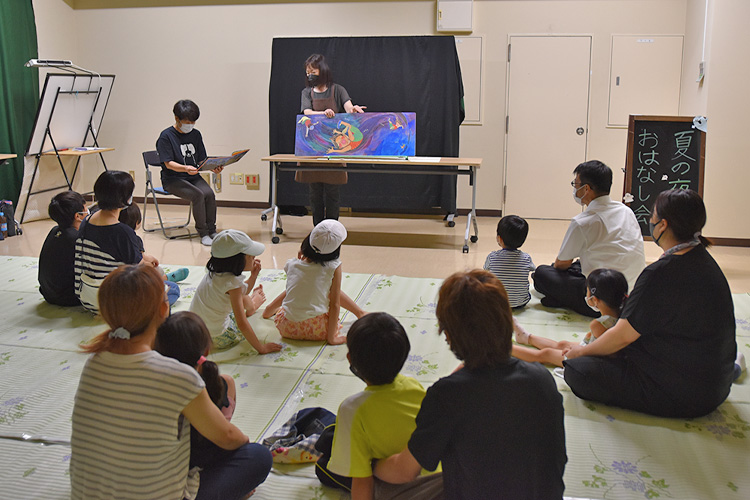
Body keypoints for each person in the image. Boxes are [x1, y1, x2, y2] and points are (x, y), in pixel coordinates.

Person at [70, 265, 272, 500]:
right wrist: (243, 443)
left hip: (87, 495)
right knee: (258, 456)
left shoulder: (94, 363)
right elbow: (227, 437)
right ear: (164, 309)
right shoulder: (177, 375)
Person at [374, 270, 567, 500]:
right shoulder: (542, 380)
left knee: (382, 486)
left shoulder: (447, 394)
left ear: (449, 335)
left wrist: (370, 463)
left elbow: (404, 471)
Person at [563, 189, 737, 418]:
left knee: (578, 371)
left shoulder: (660, 273)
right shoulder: (705, 260)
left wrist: (581, 352)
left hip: (685, 395)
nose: (650, 221)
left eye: (653, 216)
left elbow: (622, 336)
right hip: (716, 383)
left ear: (663, 225)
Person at [316, 312, 443, 500]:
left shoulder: (351, 409)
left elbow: (362, 479)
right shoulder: (413, 385)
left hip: (402, 489)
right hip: (437, 479)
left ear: (350, 359)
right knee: (333, 436)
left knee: (324, 465)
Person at [533, 160, 645, 317]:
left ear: (586, 189)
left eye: (576, 184)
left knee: (541, 274)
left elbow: (561, 264)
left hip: (602, 302)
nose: (574, 188)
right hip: (632, 294)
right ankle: (562, 298)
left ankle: (564, 300)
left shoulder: (582, 222)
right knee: (578, 264)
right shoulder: (626, 211)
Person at [154, 311, 245, 473]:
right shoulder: (189, 384)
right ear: (206, 350)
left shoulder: (156, 381)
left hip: (172, 462)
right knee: (258, 455)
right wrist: (244, 442)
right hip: (198, 462)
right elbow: (231, 438)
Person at [262, 220, 366, 345]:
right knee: (329, 291)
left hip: (287, 328)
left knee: (301, 287)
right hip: (319, 330)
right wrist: (332, 337)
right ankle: (359, 312)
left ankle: (269, 309)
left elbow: (297, 287)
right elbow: (334, 305)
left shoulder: (292, 264)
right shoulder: (333, 267)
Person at [74, 170, 159, 313]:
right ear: (125, 198)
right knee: (170, 289)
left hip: (87, 298)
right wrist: (149, 264)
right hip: (115, 304)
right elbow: (139, 271)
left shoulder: (86, 221)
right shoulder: (123, 232)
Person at [297, 54, 366, 226]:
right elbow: (306, 113)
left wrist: (353, 109)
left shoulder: (338, 90)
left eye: (313, 71)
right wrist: (324, 113)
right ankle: (317, 229)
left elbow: (348, 106)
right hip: (314, 150)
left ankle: (332, 228)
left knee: (333, 192)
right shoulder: (307, 93)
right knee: (314, 193)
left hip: (335, 149)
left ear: (323, 70)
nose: (310, 75)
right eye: (307, 72)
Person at [190, 229, 283, 353]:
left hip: (196, 331)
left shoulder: (215, 271)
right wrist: (262, 348)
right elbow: (242, 323)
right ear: (238, 261)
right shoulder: (233, 284)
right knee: (241, 308)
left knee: (240, 296)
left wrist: (253, 276)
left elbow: (240, 292)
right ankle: (253, 306)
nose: (254, 258)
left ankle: (252, 305)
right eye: (250, 256)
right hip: (218, 336)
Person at [513, 268, 628, 367]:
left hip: (588, 360)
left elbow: (603, 352)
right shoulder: (624, 314)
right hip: (589, 350)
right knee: (562, 344)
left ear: (595, 300)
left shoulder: (599, 324)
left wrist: (576, 352)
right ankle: (525, 337)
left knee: (546, 354)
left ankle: (505, 349)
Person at [156, 99, 223, 246]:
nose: (190, 125)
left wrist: (213, 167)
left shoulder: (196, 134)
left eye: (193, 122)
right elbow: (168, 163)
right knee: (198, 195)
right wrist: (185, 168)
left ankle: (212, 231)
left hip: (192, 177)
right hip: (172, 179)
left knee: (209, 194)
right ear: (176, 118)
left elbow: (201, 160)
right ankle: (203, 233)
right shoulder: (166, 136)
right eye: (187, 122)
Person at [119, 203, 189, 285]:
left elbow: (140, 258)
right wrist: (150, 263)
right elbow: (141, 261)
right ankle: (164, 279)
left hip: (120, 275)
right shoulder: (135, 239)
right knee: (159, 273)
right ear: (137, 222)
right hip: (133, 276)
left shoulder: (116, 236)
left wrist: (149, 259)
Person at [38, 191, 88, 306]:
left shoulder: (54, 231)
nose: (87, 213)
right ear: (78, 216)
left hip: (47, 293)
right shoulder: (77, 238)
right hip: (67, 297)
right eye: (85, 210)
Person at [483, 214, 535, 308]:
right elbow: (533, 269)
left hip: (497, 304)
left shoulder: (492, 256)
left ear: (499, 239)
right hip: (520, 303)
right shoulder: (526, 258)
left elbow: (485, 271)